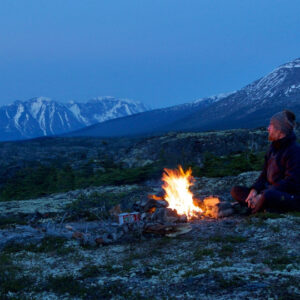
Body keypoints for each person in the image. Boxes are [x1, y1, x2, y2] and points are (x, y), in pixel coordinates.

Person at [231, 110, 300, 213]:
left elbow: (291, 183)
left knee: (268, 196)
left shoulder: (294, 150)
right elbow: (263, 175)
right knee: (235, 190)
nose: (268, 128)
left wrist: (262, 194)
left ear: (279, 130)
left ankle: (252, 209)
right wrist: (254, 191)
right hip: (267, 191)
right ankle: (258, 204)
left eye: (271, 125)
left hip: (288, 195)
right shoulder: (273, 149)